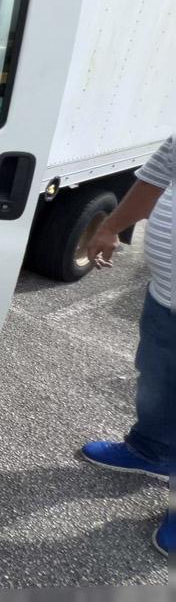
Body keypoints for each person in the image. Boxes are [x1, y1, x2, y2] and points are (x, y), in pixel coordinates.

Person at [81, 133, 174, 556]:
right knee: (156, 380)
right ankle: (150, 450)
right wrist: (111, 225)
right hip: (166, 297)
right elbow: (156, 176)